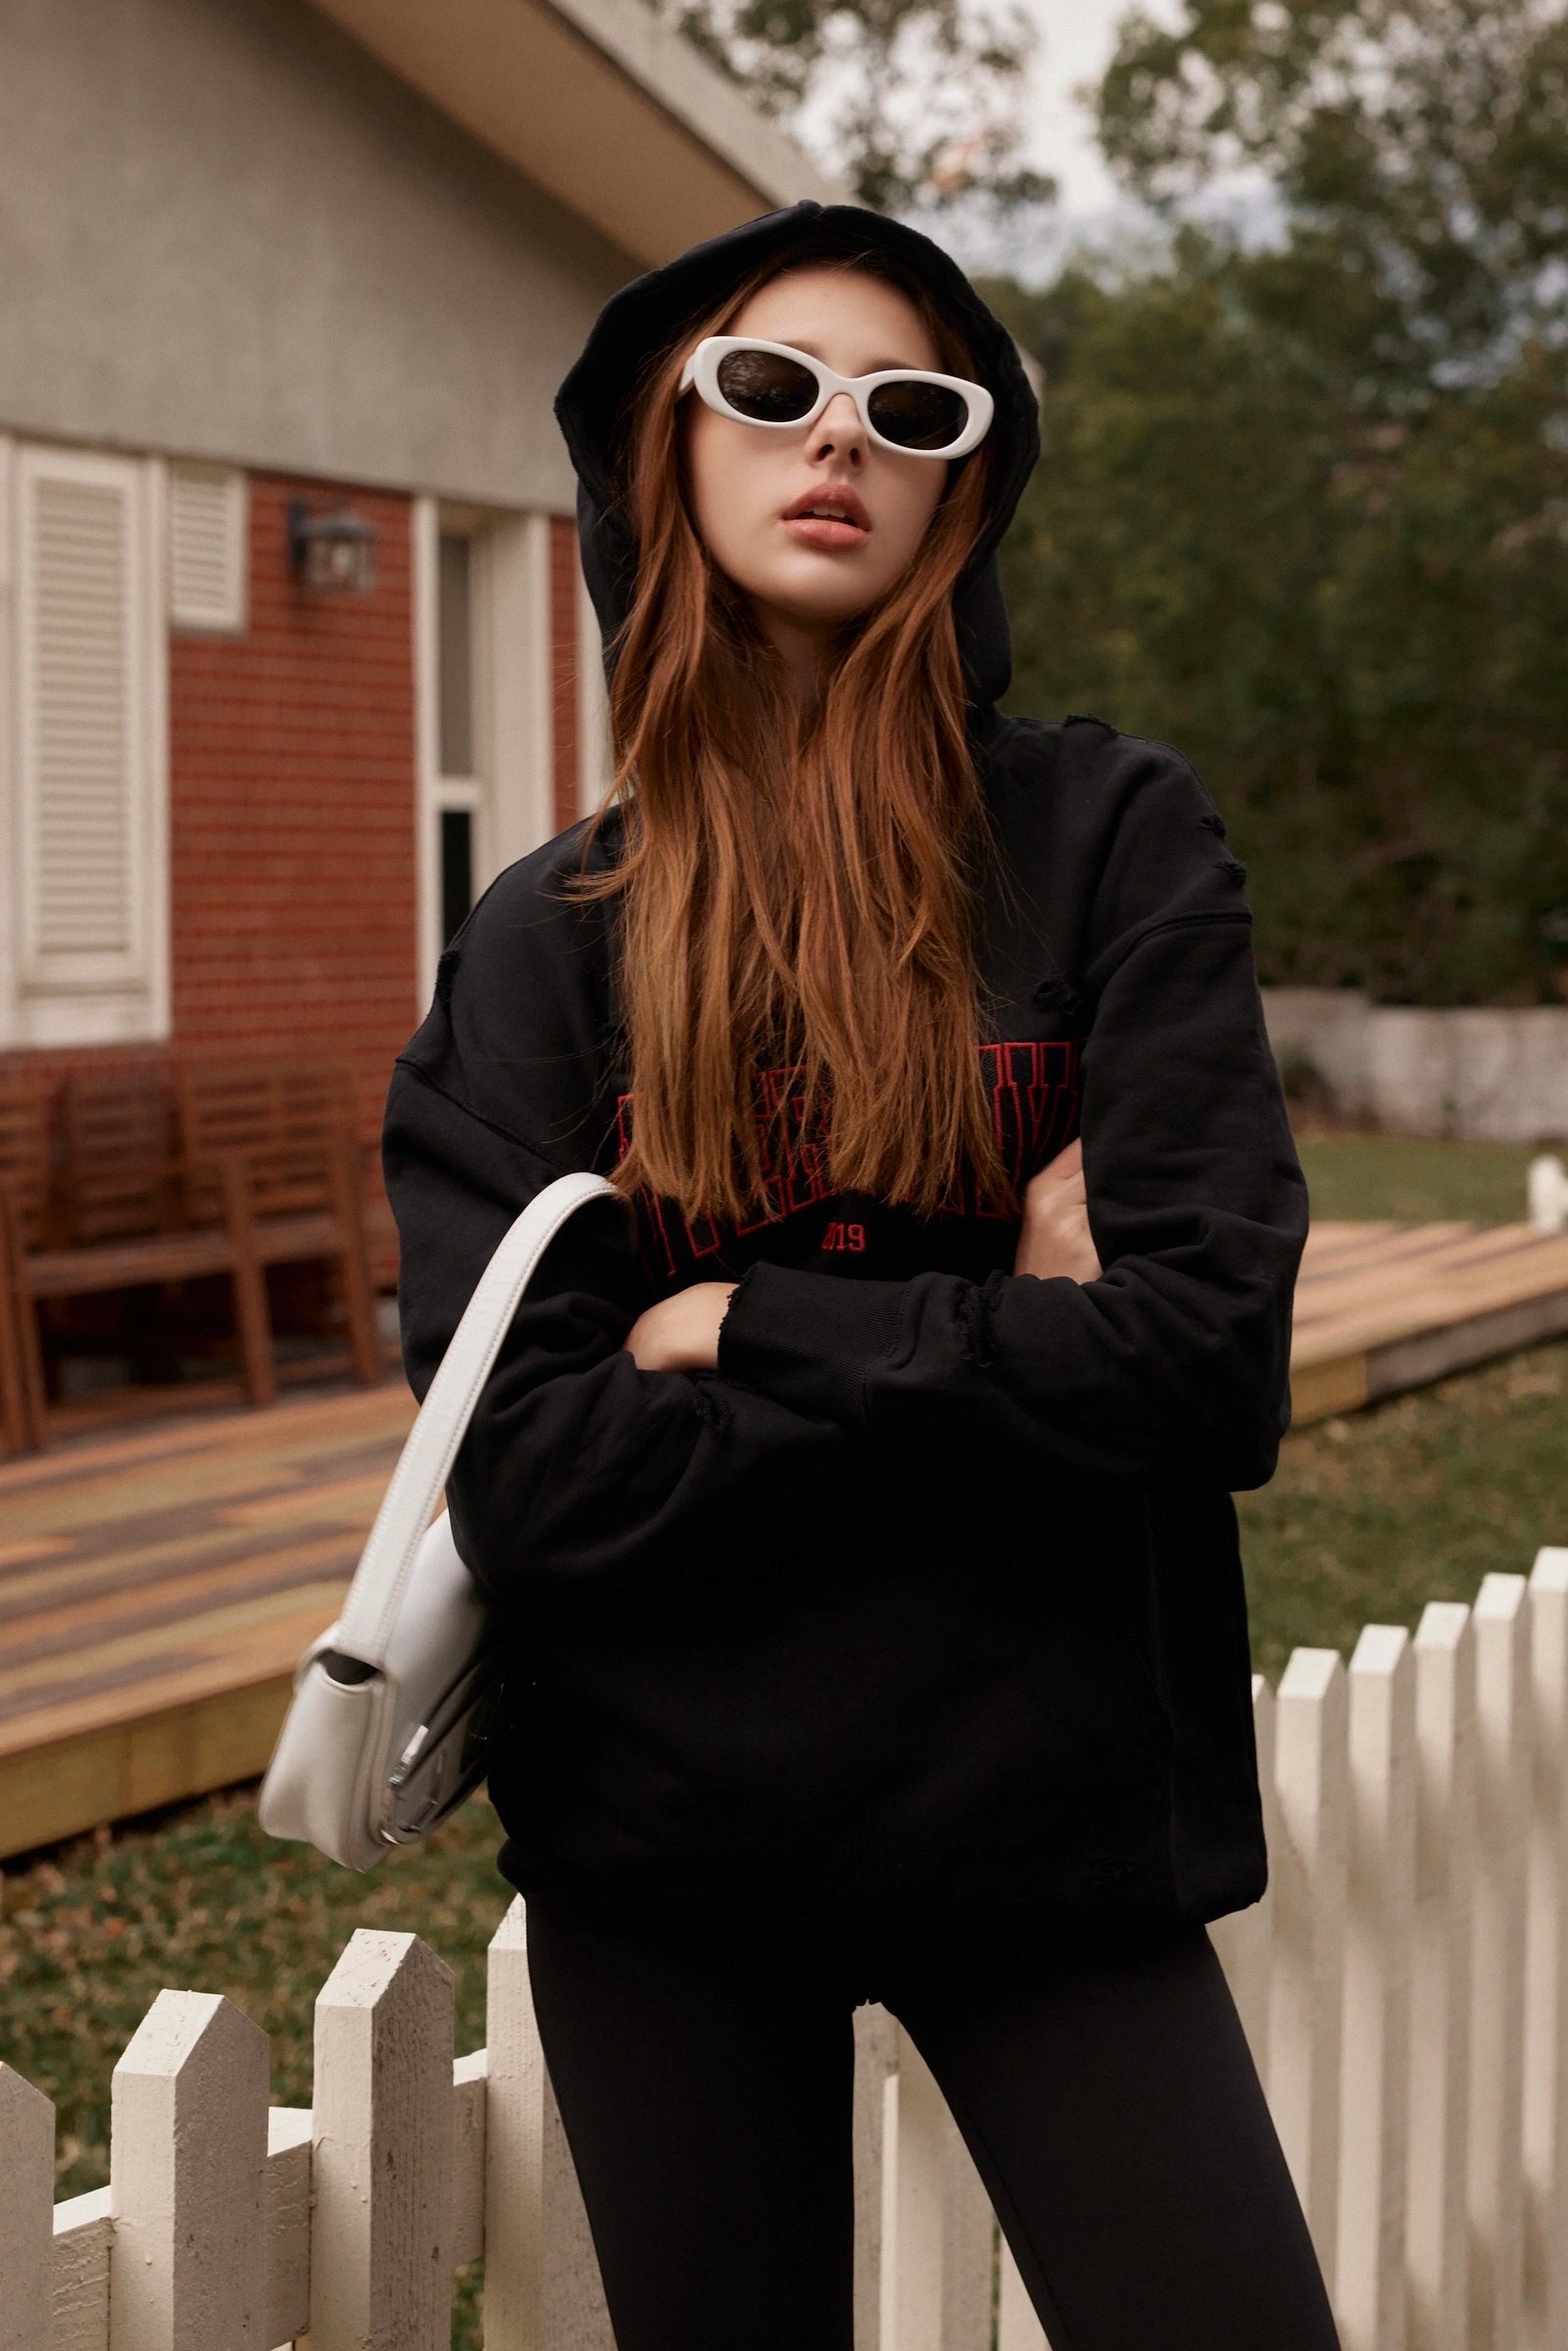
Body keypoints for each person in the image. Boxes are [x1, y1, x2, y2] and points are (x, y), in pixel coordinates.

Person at [384, 202, 1335, 2351]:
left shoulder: (1106, 839)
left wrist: (745, 1322)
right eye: (771, 388)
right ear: (669, 445)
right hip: (667, 1861)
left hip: (1048, 1822)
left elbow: (1206, 1364)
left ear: (959, 489)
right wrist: (1018, 1330)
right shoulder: (545, 940)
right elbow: (531, 1475)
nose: (839, 441)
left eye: (910, 410)